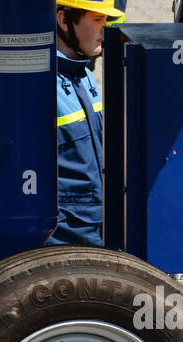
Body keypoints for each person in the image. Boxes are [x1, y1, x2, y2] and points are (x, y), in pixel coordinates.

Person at [51, 0, 123, 247]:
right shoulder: (41, 82)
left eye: (106, 20)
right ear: (63, 20)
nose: (105, 28)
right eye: (96, 20)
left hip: (92, 225)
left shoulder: (83, 74)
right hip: (64, 234)